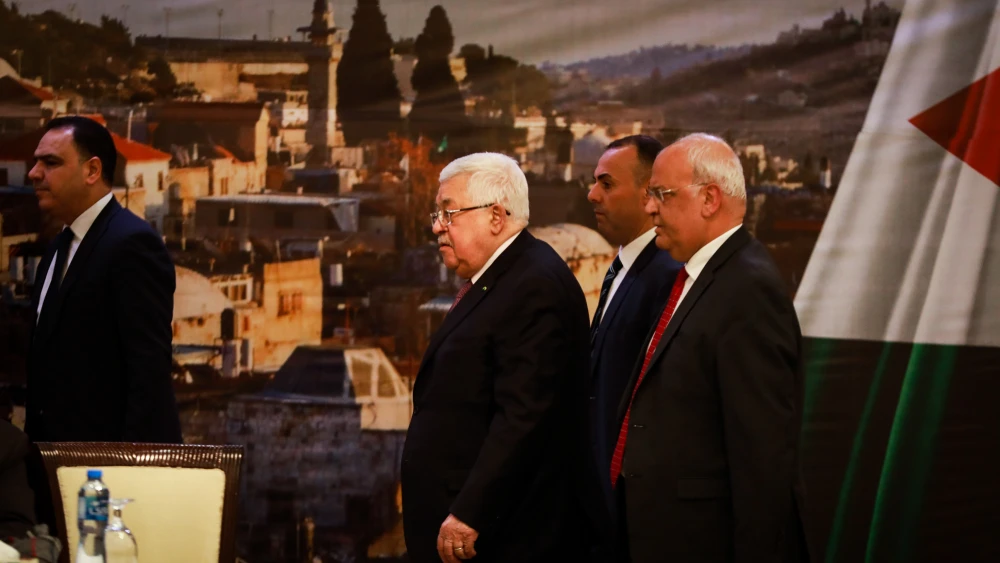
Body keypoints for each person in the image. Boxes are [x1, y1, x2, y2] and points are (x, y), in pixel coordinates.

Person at [612, 133, 811, 562]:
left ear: (709, 199)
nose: (650, 208)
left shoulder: (749, 290)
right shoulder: (695, 276)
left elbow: (762, 460)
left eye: (661, 195)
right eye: (649, 196)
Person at [401, 153, 591, 563]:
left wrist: (470, 511)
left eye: (449, 213)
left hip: (497, 537)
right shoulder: (503, 276)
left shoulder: (533, 284)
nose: (437, 226)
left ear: (495, 216)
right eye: (438, 213)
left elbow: (524, 417)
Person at [24, 116, 182, 443]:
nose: (34, 173)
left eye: (50, 162)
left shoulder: (132, 245)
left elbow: (148, 376)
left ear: (92, 171)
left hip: (109, 477)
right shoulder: (58, 248)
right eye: (36, 162)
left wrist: (127, 473)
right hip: (53, 470)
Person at [585, 135, 682, 556]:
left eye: (607, 184)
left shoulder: (666, 277)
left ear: (648, 195)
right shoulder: (624, 265)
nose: (592, 195)